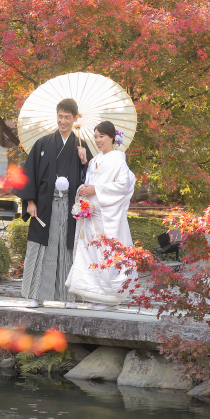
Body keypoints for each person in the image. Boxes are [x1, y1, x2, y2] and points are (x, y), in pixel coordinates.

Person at [13, 98, 93, 308]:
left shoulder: (81, 146)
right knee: (40, 246)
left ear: (75, 119)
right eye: (60, 116)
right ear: (56, 116)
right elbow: (29, 174)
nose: (63, 121)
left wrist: (85, 162)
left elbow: (91, 179)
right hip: (45, 204)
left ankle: (70, 296)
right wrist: (30, 202)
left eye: (68, 117)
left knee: (69, 247)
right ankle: (35, 294)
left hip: (71, 206)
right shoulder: (43, 143)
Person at [65, 120, 138, 310]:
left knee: (106, 253)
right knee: (91, 254)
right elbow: (88, 183)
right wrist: (84, 190)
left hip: (107, 216)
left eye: (102, 136)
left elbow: (123, 185)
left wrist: (96, 189)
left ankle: (110, 298)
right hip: (91, 215)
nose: (98, 140)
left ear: (112, 137)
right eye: (95, 136)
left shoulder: (118, 159)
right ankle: (96, 296)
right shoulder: (95, 160)